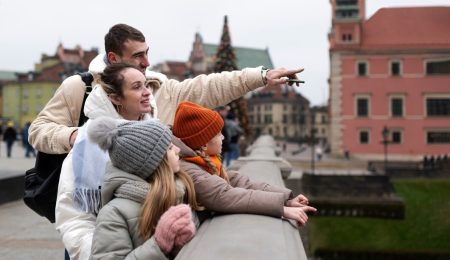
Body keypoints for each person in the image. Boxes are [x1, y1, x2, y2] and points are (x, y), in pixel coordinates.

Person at [29, 23, 304, 154]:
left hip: (147, 213)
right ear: (113, 59)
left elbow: (209, 87)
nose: (147, 62)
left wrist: (261, 75)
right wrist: (76, 136)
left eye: (147, 52)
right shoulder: (80, 87)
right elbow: (38, 130)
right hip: (90, 209)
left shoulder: (159, 88)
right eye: (138, 56)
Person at [172, 101, 316, 225]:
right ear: (203, 144)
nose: (223, 137)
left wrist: (287, 199)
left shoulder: (203, 162)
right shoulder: (190, 170)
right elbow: (226, 195)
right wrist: (282, 209)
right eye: (218, 134)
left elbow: (240, 182)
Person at [87, 117, 200, 259]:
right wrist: (159, 245)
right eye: (170, 148)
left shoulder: (179, 192)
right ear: (153, 163)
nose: (178, 150)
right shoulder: (113, 213)